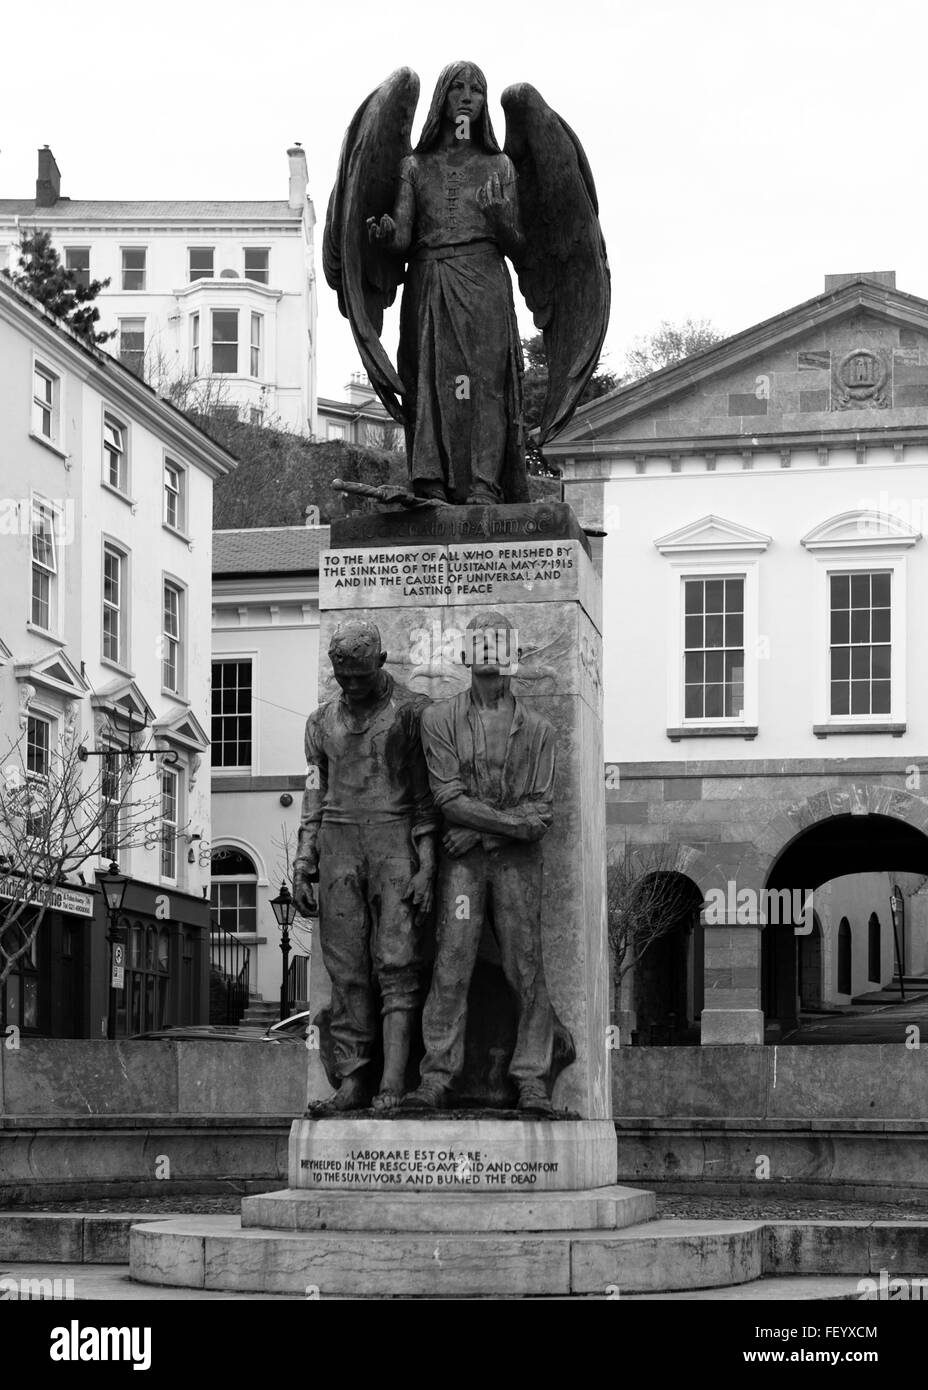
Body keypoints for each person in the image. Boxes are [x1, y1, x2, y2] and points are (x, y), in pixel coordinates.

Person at [403, 611, 559, 1114]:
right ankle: (437, 1077)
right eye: (482, 642)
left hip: (510, 865)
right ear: (467, 652)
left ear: (513, 653)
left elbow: (539, 815)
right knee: (451, 965)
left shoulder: (538, 730)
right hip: (464, 870)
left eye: (500, 642)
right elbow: (447, 798)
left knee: (525, 967)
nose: (491, 650)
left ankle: (532, 1077)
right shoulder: (438, 719)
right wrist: (501, 825)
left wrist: (480, 829)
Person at [368, 60, 527, 506]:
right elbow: (402, 237)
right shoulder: (414, 166)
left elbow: (520, 247)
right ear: (442, 97)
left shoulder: (500, 164)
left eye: (476, 90)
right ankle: (430, 481)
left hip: (483, 279)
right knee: (432, 382)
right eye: (457, 88)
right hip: (430, 280)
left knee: (484, 383)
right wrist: (384, 233)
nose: (466, 97)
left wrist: (500, 221)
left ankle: (483, 486)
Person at [292, 620, 436, 1111]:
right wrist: (303, 858)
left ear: (380, 661)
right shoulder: (318, 723)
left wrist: (427, 863)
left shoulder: (412, 713)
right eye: (342, 677)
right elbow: (314, 793)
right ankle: (354, 1080)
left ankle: (394, 1080)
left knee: (397, 963)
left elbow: (426, 797)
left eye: (359, 675)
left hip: (395, 842)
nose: (351, 686)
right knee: (346, 969)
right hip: (338, 847)